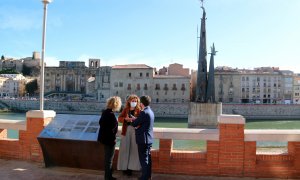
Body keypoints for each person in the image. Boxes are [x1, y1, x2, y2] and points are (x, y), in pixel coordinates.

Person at [97, 96, 122, 180]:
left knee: (107, 159)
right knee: (109, 160)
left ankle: (108, 175)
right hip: (110, 140)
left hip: (103, 139)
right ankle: (108, 177)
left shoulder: (104, 113)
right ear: (116, 105)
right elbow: (112, 130)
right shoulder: (111, 115)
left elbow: (101, 124)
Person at [117, 94, 141, 175]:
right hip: (126, 130)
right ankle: (124, 168)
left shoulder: (139, 110)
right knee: (124, 149)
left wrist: (135, 120)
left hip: (135, 131)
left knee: (134, 150)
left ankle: (131, 168)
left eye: (135, 101)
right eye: (132, 101)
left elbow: (141, 121)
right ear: (129, 101)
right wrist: (125, 119)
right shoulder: (126, 109)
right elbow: (119, 119)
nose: (134, 102)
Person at [131, 95, 154, 180]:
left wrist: (134, 120)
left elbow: (134, 124)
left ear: (142, 103)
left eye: (140, 102)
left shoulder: (144, 112)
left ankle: (144, 177)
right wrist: (137, 119)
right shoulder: (150, 111)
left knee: (143, 159)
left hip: (143, 140)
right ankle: (148, 176)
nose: (139, 103)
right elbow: (144, 123)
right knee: (148, 158)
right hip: (149, 139)